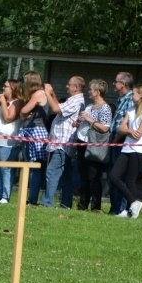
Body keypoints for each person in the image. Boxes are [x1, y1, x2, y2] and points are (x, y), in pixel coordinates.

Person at [109, 84, 142, 219]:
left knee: (131, 181)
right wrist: (128, 131)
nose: (132, 96)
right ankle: (134, 202)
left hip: (138, 150)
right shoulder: (130, 110)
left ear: (141, 95)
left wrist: (129, 131)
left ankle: (129, 210)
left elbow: (138, 134)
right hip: (126, 148)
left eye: (134, 94)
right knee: (114, 176)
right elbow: (121, 128)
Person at [42, 76, 85, 208]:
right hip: (60, 143)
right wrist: (52, 94)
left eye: (69, 84)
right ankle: (66, 203)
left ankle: (46, 203)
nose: (67, 86)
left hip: (62, 144)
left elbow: (56, 109)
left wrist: (47, 92)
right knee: (65, 175)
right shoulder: (73, 100)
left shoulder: (76, 101)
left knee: (51, 172)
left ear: (76, 88)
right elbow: (59, 106)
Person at [75, 79, 112, 211]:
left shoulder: (105, 108)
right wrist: (78, 122)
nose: (89, 92)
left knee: (93, 176)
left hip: (94, 145)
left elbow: (105, 128)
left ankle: (96, 206)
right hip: (82, 142)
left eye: (91, 89)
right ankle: (82, 204)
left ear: (97, 92)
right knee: (83, 175)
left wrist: (90, 119)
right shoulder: (90, 106)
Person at [0, 79, 22, 203]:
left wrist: (3, 103)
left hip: (7, 141)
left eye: (6, 87)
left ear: (13, 89)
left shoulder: (17, 102)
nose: (3, 89)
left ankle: (5, 196)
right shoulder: (0, 102)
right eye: (3, 86)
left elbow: (8, 118)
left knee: (5, 168)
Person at [18, 70, 49, 205]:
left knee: (34, 168)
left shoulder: (39, 94)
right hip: (31, 131)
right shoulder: (35, 95)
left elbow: (23, 111)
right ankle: (32, 197)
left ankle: (33, 199)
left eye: (26, 82)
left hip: (36, 132)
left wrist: (24, 112)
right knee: (31, 167)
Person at [108, 72, 135, 214]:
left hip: (122, 141)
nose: (114, 84)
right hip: (116, 141)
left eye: (116, 81)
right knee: (113, 176)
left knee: (119, 177)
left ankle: (122, 208)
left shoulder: (130, 99)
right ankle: (114, 207)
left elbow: (127, 125)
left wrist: (116, 139)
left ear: (123, 84)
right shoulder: (121, 99)